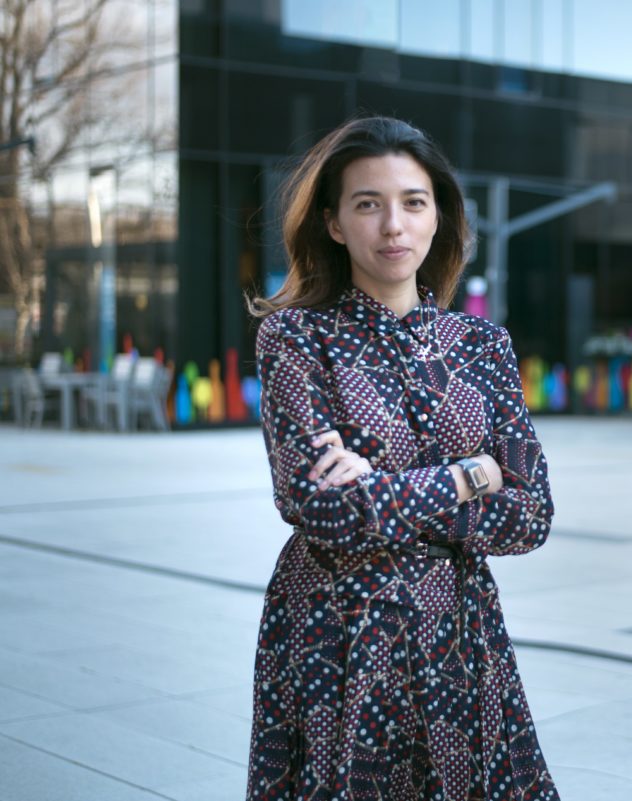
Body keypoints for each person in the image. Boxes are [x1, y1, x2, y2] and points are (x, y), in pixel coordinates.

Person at [245, 116, 558, 801]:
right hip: (338, 634)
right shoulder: (296, 338)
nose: (394, 224)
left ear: (438, 215)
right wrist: (469, 475)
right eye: (368, 203)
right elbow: (322, 509)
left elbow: (531, 513)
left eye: (413, 201)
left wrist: (381, 490)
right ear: (333, 223)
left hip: (460, 631)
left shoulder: (481, 345)